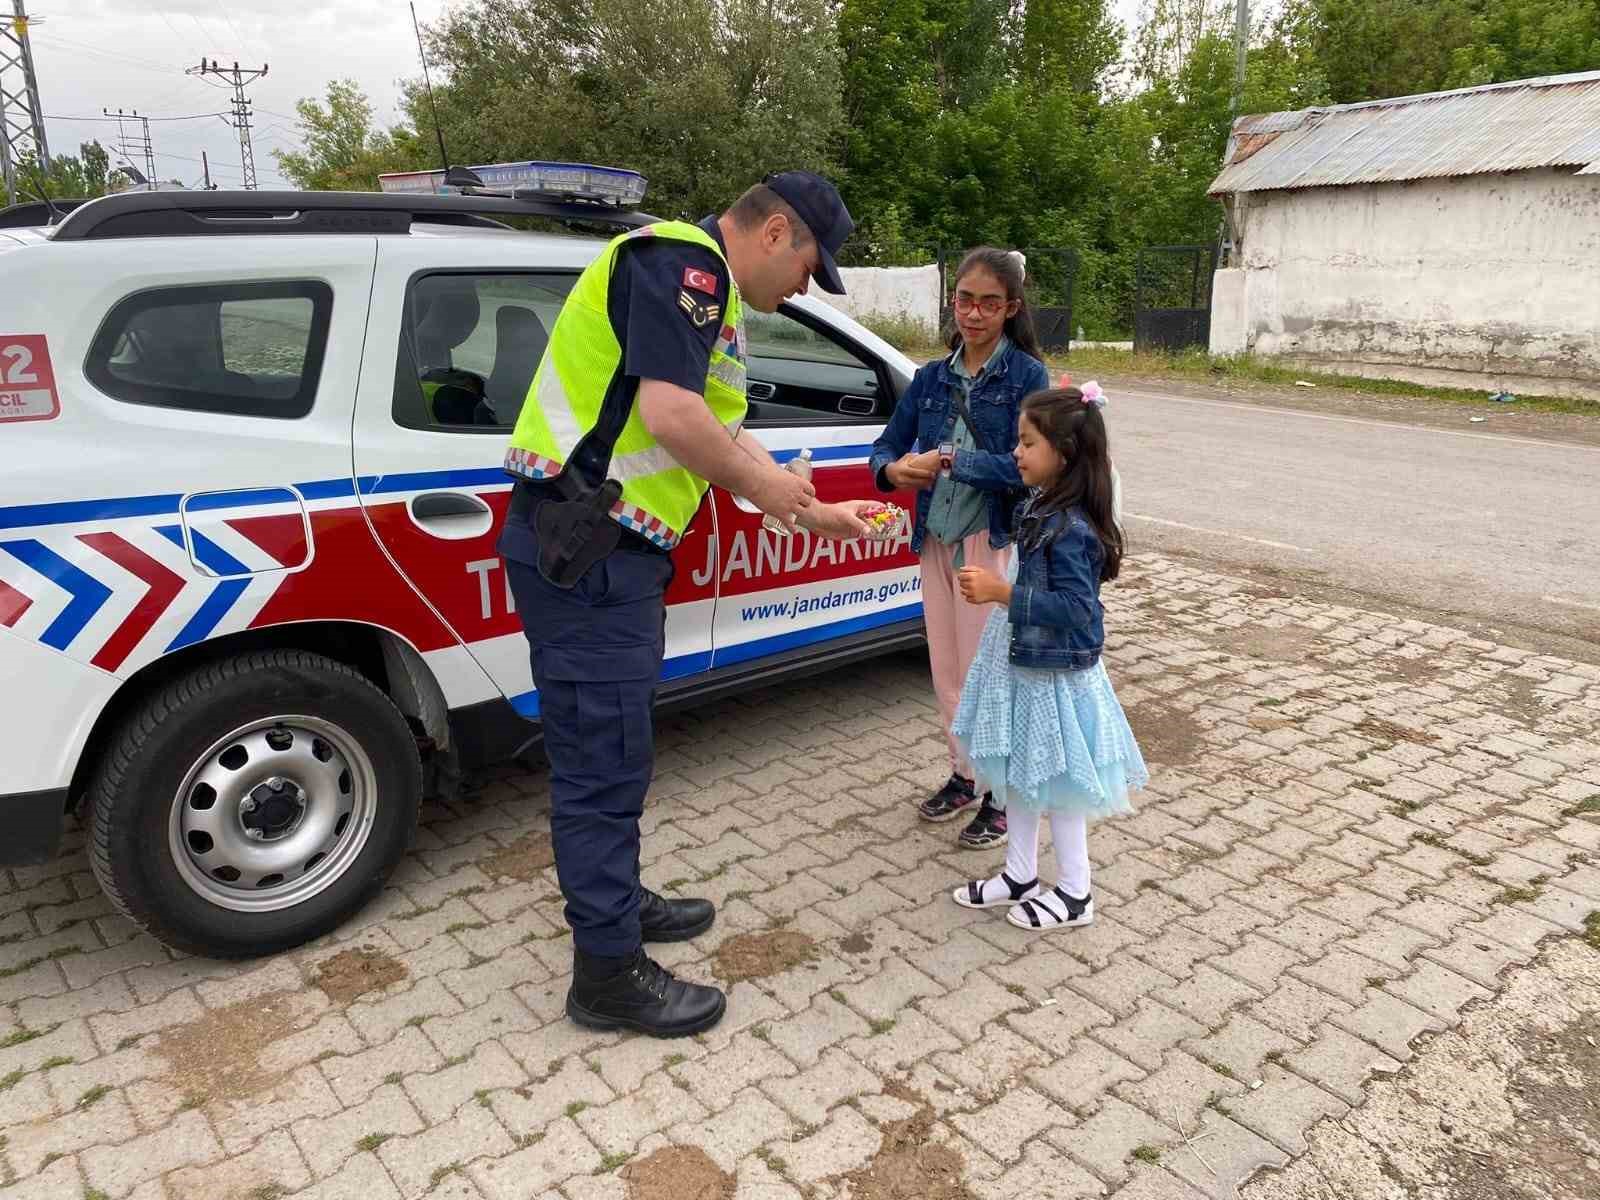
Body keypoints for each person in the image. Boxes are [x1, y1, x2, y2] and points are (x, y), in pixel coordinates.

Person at [497, 172, 876, 1038]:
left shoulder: (699, 286)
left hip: (605, 553)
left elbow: (718, 429)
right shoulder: (686, 265)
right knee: (603, 762)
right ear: (776, 232)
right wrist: (775, 493)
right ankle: (606, 974)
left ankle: (616, 905)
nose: (806, 290)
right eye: (812, 267)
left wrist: (808, 508)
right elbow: (671, 416)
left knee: (614, 749)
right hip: (588, 551)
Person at [947, 382, 1147, 930]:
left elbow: (1076, 609)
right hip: (1024, 669)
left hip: (1053, 677)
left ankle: (1077, 893)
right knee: (1021, 775)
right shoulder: (1044, 504)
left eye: (1028, 443)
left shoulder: (1073, 527)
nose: (1017, 452)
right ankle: (1019, 874)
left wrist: (1003, 593)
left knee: (1057, 786)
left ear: (1064, 454)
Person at [868, 248, 1049, 850]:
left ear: (1011, 309)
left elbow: (1031, 466)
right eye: (965, 299)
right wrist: (894, 473)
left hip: (989, 544)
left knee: (988, 674)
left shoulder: (1026, 377)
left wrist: (950, 459)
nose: (974, 313)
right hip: (935, 541)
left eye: (989, 303)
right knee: (946, 671)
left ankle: (1002, 796)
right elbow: (884, 450)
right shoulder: (930, 378)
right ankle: (966, 775)